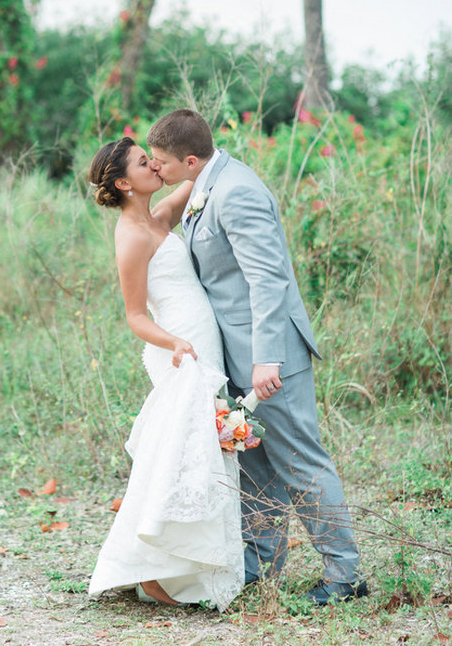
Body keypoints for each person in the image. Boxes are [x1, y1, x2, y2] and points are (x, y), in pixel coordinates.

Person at [146, 108, 368, 606]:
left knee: (300, 462)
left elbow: (267, 280)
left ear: (187, 158)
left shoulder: (236, 190)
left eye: (159, 161)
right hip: (234, 356)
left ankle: (346, 574)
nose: (155, 169)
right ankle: (260, 567)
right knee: (255, 465)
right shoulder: (205, 181)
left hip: (270, 356)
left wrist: (268, 359)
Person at [86, 137, 245, 610]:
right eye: (143, 162)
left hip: (201, 342)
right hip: (180, 352)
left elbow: (196, 173)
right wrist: (175, 342)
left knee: (198, 452)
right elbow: (135, 315)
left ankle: (179, 564)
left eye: (152, 158)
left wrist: (195, 149)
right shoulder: (131, 237)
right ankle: (149, 564)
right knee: (178, 450)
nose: (153, 165)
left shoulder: (155, 220)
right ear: (122, 182)